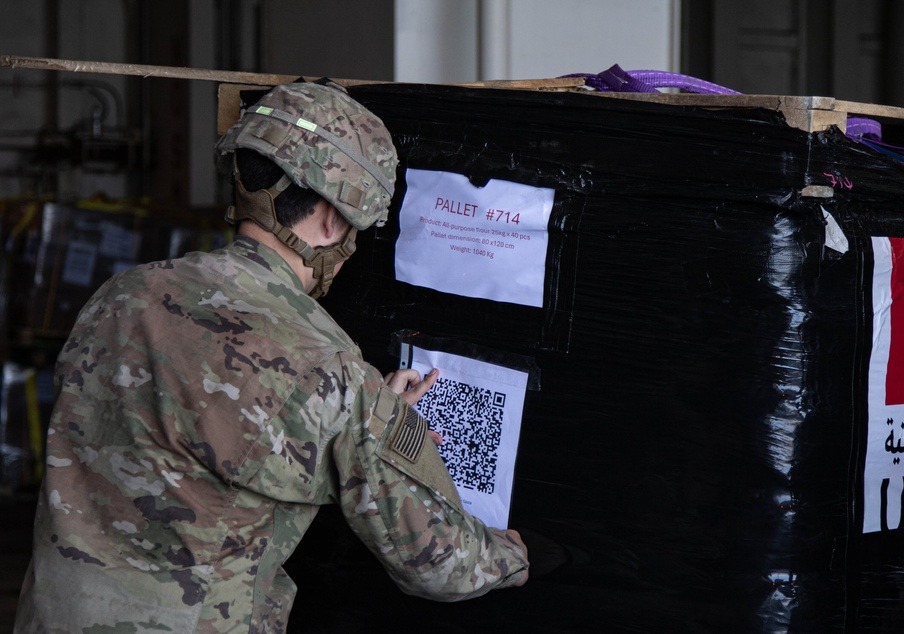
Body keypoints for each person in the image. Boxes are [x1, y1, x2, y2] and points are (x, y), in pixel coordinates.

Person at [15, 81, 528, 632]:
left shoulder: (121, 295)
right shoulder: (327, 367)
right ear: (333, 220)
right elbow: (439, 564)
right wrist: (513, 555)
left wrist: (365, 417)